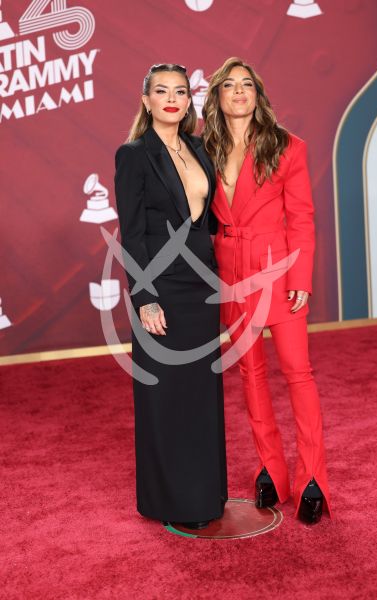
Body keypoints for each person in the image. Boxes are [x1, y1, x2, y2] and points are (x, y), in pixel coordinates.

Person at [202, 57, 332, 524]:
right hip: (231, 274)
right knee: (250, 376)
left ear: (258, 94)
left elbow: (301, 218)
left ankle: (312, 478)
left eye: (247, 85)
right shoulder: (205, 150)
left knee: (298, 373)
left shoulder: (288, 147)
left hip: (278, 273)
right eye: (229, 85)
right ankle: (271, 472)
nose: (239, 91)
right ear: (216, 96)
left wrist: (301, 280)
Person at [114, 63, 227, 529]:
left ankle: (205, 494)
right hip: (162, 290)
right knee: (166, 394)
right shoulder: (134, 155)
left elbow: (208, 220)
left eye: (180, 91)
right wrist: (144, 298)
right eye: (161, 91)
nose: (171, 98)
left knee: (201, 393)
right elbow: (132, 232)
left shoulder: (200, 148)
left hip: (202, 286)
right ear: (146, 101)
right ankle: (170, 500)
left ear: (189, 100)